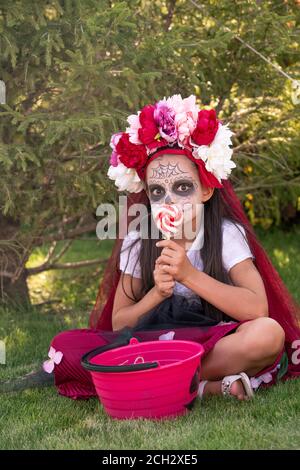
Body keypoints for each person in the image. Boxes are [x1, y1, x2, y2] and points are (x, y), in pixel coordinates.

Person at [3, 94, 300, 401]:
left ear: (207, 189)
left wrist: (189, 275)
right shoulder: (139, 239)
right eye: (157, 191)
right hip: (150, 343)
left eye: (183, 187)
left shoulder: (225, 234)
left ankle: (145, 381)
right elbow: (120, 321)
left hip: (213, 340)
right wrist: (157, 293)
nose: (169, 200)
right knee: (65, 347)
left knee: (267, 335)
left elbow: (257, 308)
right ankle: (200, 387)